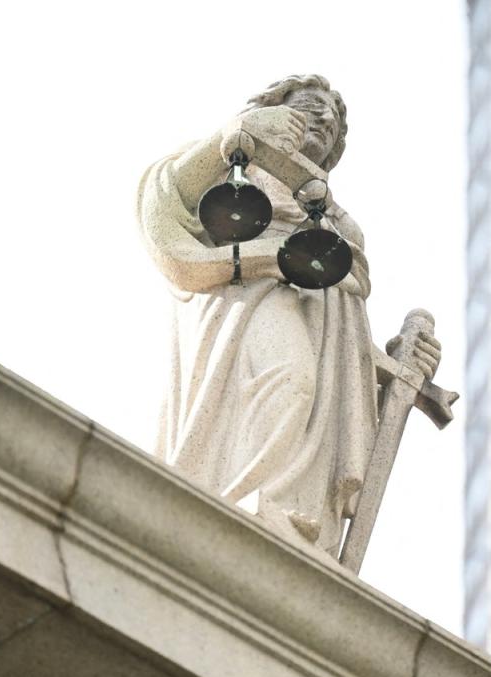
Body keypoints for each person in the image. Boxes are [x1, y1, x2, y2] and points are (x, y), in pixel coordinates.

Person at [138, 75, 437, 558]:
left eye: (333, 120)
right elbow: (163, 210)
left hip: (320, 329)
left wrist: (398, 367)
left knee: (306, 390)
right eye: (309, 106)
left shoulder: (335, 220)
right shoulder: (233, 172)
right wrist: (237, 133)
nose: (323, 119)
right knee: (288, 379)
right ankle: (247, 498)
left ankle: (286, 509)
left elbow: (341, 347)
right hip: (249, 302)